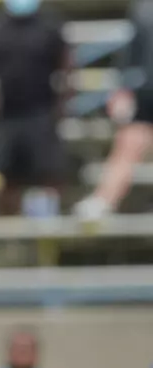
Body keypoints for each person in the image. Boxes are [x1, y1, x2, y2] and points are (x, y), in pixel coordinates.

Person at [0, 0, 71, 216]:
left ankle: (48, 223)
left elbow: (66, 63)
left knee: (50, 171)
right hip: (7, 113)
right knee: (7, 175)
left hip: (42, 110)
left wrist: (62, 103)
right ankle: (9, 225)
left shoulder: (50, 22)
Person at [75, 0, 153, 219]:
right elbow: (133, 51)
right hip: (146, 91)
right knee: (128, 144)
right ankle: (104, 200)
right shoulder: (144, 9)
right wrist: (123, 88)